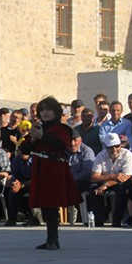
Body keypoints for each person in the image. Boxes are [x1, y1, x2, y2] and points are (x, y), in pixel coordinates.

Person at [24, 96, 81, 249]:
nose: (45, 113)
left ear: (56, 111)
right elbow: (23, 149)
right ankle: (50, 239)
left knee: (51, 204)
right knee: (44, 205)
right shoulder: (38, 127)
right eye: (42, 110)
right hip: (40, 170)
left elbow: (61, 145)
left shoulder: (63, 129)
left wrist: (42, 136)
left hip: (54, 170)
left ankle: (53, 239)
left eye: (48, 110)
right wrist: (33, 139)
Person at [89, 132, 132, 227]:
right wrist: (113, 176)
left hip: (119, 183)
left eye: (117, 146)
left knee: (122, 188)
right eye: (110, 147)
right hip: (106, 180)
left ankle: (117, 220)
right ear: (105, 146)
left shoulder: (127, 154)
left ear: (120, 144)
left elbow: (126, 177)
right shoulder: (101, 155)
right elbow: (94, 177)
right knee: (93, 188)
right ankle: (99, 220)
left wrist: (106, 185)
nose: (114, 149)